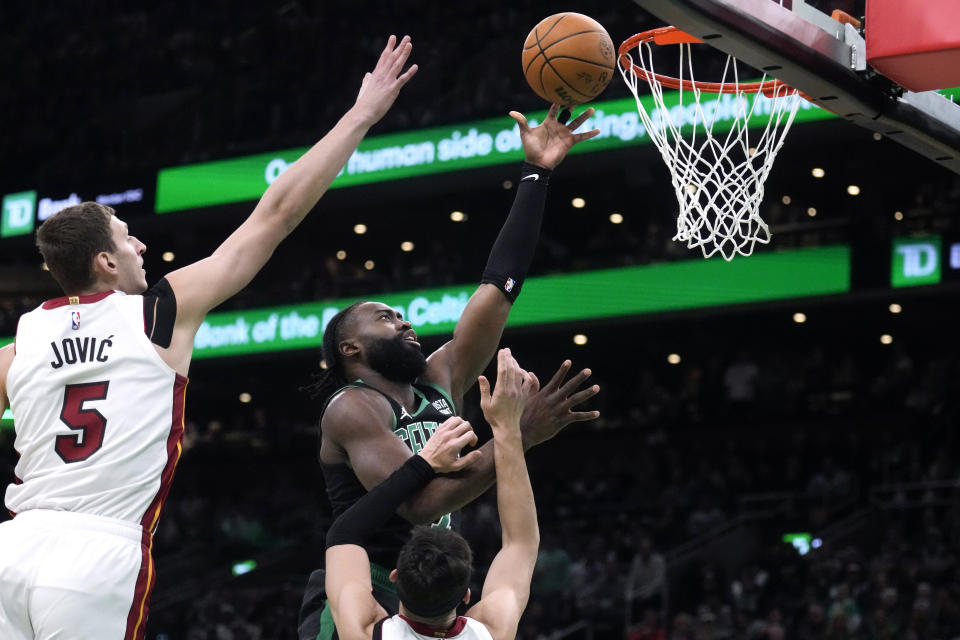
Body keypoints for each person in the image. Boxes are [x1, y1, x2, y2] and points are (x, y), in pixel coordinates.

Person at [0, 35, 419, 640]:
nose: (139, 243)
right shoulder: (158, 312)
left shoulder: (21, 341)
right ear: (106, 263)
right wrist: (361, 115)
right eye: (126, 237)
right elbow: (274, 215)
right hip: (95, 551)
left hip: (15, 543)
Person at [298, 103, 602, 639]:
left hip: (429, 584)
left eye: (401, 314)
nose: (404, 321)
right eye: (385, 318)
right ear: (350, 349)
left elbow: (498, 291)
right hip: (366, 583)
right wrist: (519, 433)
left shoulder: (439, 378)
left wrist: (537, 175)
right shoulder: (353, 408)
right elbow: (420, 505)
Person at [324, 348, 541, 640]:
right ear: (466, 596)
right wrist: (509, 431)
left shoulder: (363, 630)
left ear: (394, 579)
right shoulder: (491, 630)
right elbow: (520, 542)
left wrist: (425, 463)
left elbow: (345, 531)